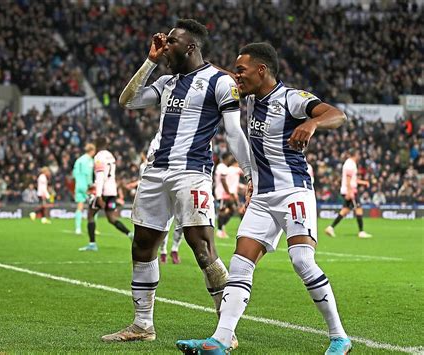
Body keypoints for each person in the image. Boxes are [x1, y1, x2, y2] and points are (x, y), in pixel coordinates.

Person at [177, 42, 352, 354]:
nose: (237, 78)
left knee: (301, 259)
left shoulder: (291, 99)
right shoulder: (250, 96)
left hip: (293, 191)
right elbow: (225, 73)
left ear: (262, 70)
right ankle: (219, 340)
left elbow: (336, 114)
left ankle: (340, 337)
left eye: (242, 71)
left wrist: (311, 123)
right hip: (262, 197)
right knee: (240, 263)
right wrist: (196, 58)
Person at [101, 19, 251, 346]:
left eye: (172, 42)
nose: (166, 45)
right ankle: (142, 325)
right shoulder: (167, 81)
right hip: (155, 171)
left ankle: (226, 330)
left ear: (191, 47)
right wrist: (150, 60)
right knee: (142, 245)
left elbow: (234, 132)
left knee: (202, 247)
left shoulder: (220, 82)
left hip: (191, 172)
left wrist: (249, 173)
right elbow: (128, 100)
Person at [78, 137, 133, 251]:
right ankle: (130, 234)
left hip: (103, 191)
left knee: (90, 215)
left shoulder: (99, 157)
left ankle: (92, 244)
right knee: (111, 218)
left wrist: (98, 195)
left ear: (97, 145)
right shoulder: (110, 155)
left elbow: (100, 175)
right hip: (112, 191)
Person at [325, 149, 372, 239]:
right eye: (358, 154)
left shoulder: (349, 163)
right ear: (355, 154)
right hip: (350, 190)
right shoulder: (350, 164)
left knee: (345, 210)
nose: (359, 156)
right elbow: (348, 179)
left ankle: (330, 228)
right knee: (358, 208)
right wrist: (350, 192)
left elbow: (352, 179)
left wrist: (363, 182)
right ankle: (361, 231)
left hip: (348, 189)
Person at [72, 143, 96, 234]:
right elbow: (88, 173)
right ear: (92, 151)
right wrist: (90, 185)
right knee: (94, 206)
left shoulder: (78, 160)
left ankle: (77, 229)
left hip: (78, 185)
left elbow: (74, 173)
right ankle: (93, 228)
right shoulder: (89, 160)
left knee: (80, 207)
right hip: (86, 186)